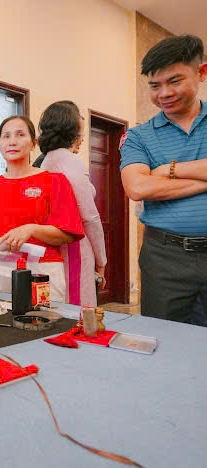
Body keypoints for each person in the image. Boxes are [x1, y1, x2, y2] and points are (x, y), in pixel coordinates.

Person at [120, 34, 207, 323]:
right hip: (164, 258)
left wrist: (169, 169)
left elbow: (151, 182)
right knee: (164, 339)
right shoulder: (138, 136)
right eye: (155, 86)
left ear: (201, 73)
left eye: (174, 81)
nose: (164, 93)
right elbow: (137, 187)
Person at [0, 115, 85, 302]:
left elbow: (67, 233)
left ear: (33, 143)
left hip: (42, 270)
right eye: (6, 136)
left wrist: (30, 229)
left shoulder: (55, 181)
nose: (12, 141)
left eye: (20, 135)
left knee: (43, 319)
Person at [38, 100, 107, 306]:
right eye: (80, 131)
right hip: (75, 245)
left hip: (53, 247)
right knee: (79, 308)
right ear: (70, 129)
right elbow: (89, 216)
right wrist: (101, 259)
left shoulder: (44, 161)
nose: (82, 137)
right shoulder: (70, 161)